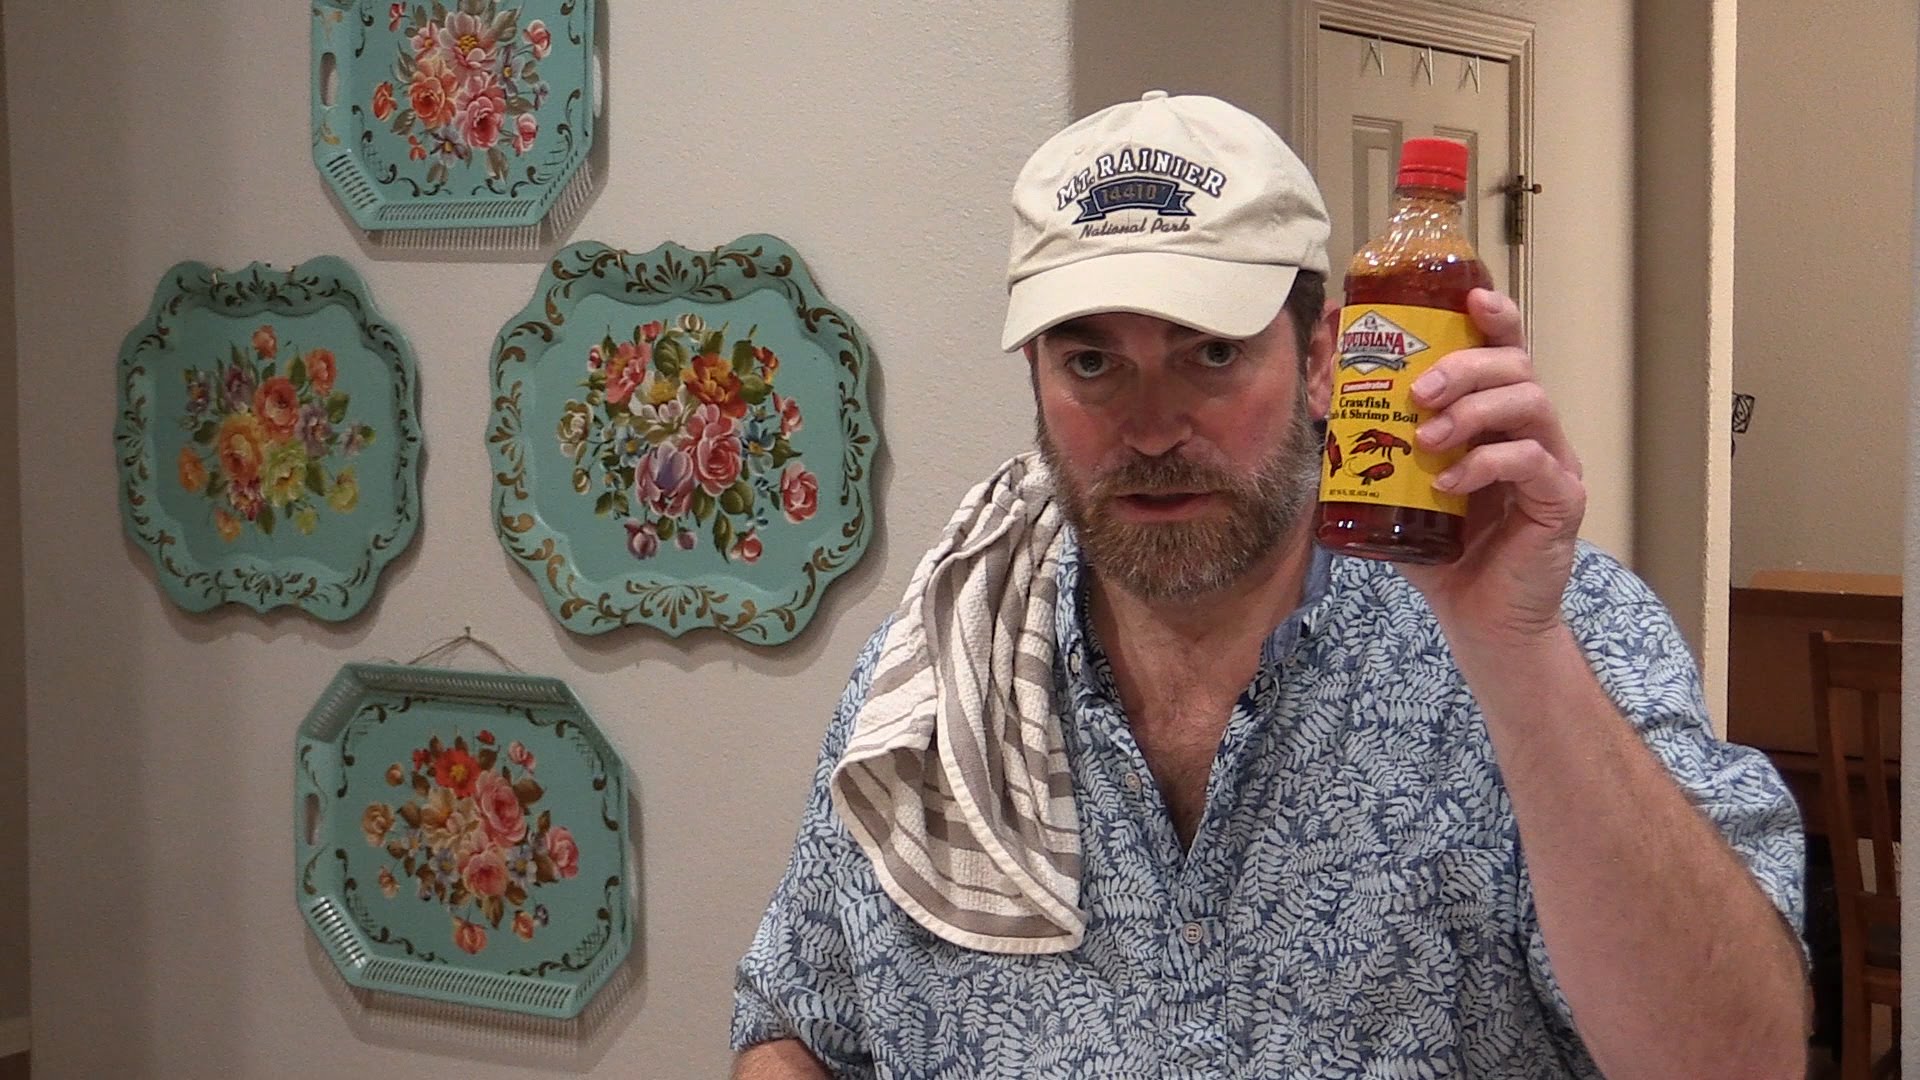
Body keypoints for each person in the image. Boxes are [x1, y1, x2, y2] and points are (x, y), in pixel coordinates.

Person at [731, 91, 1808, 1079]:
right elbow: (792, 1024)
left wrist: (1517, 657)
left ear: (1323, 359)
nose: (1152, 430)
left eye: (1211, 354)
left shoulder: (1556, 631)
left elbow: (1741, 1063)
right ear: (1036, 375)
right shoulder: (943, 671)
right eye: (1092, 363)